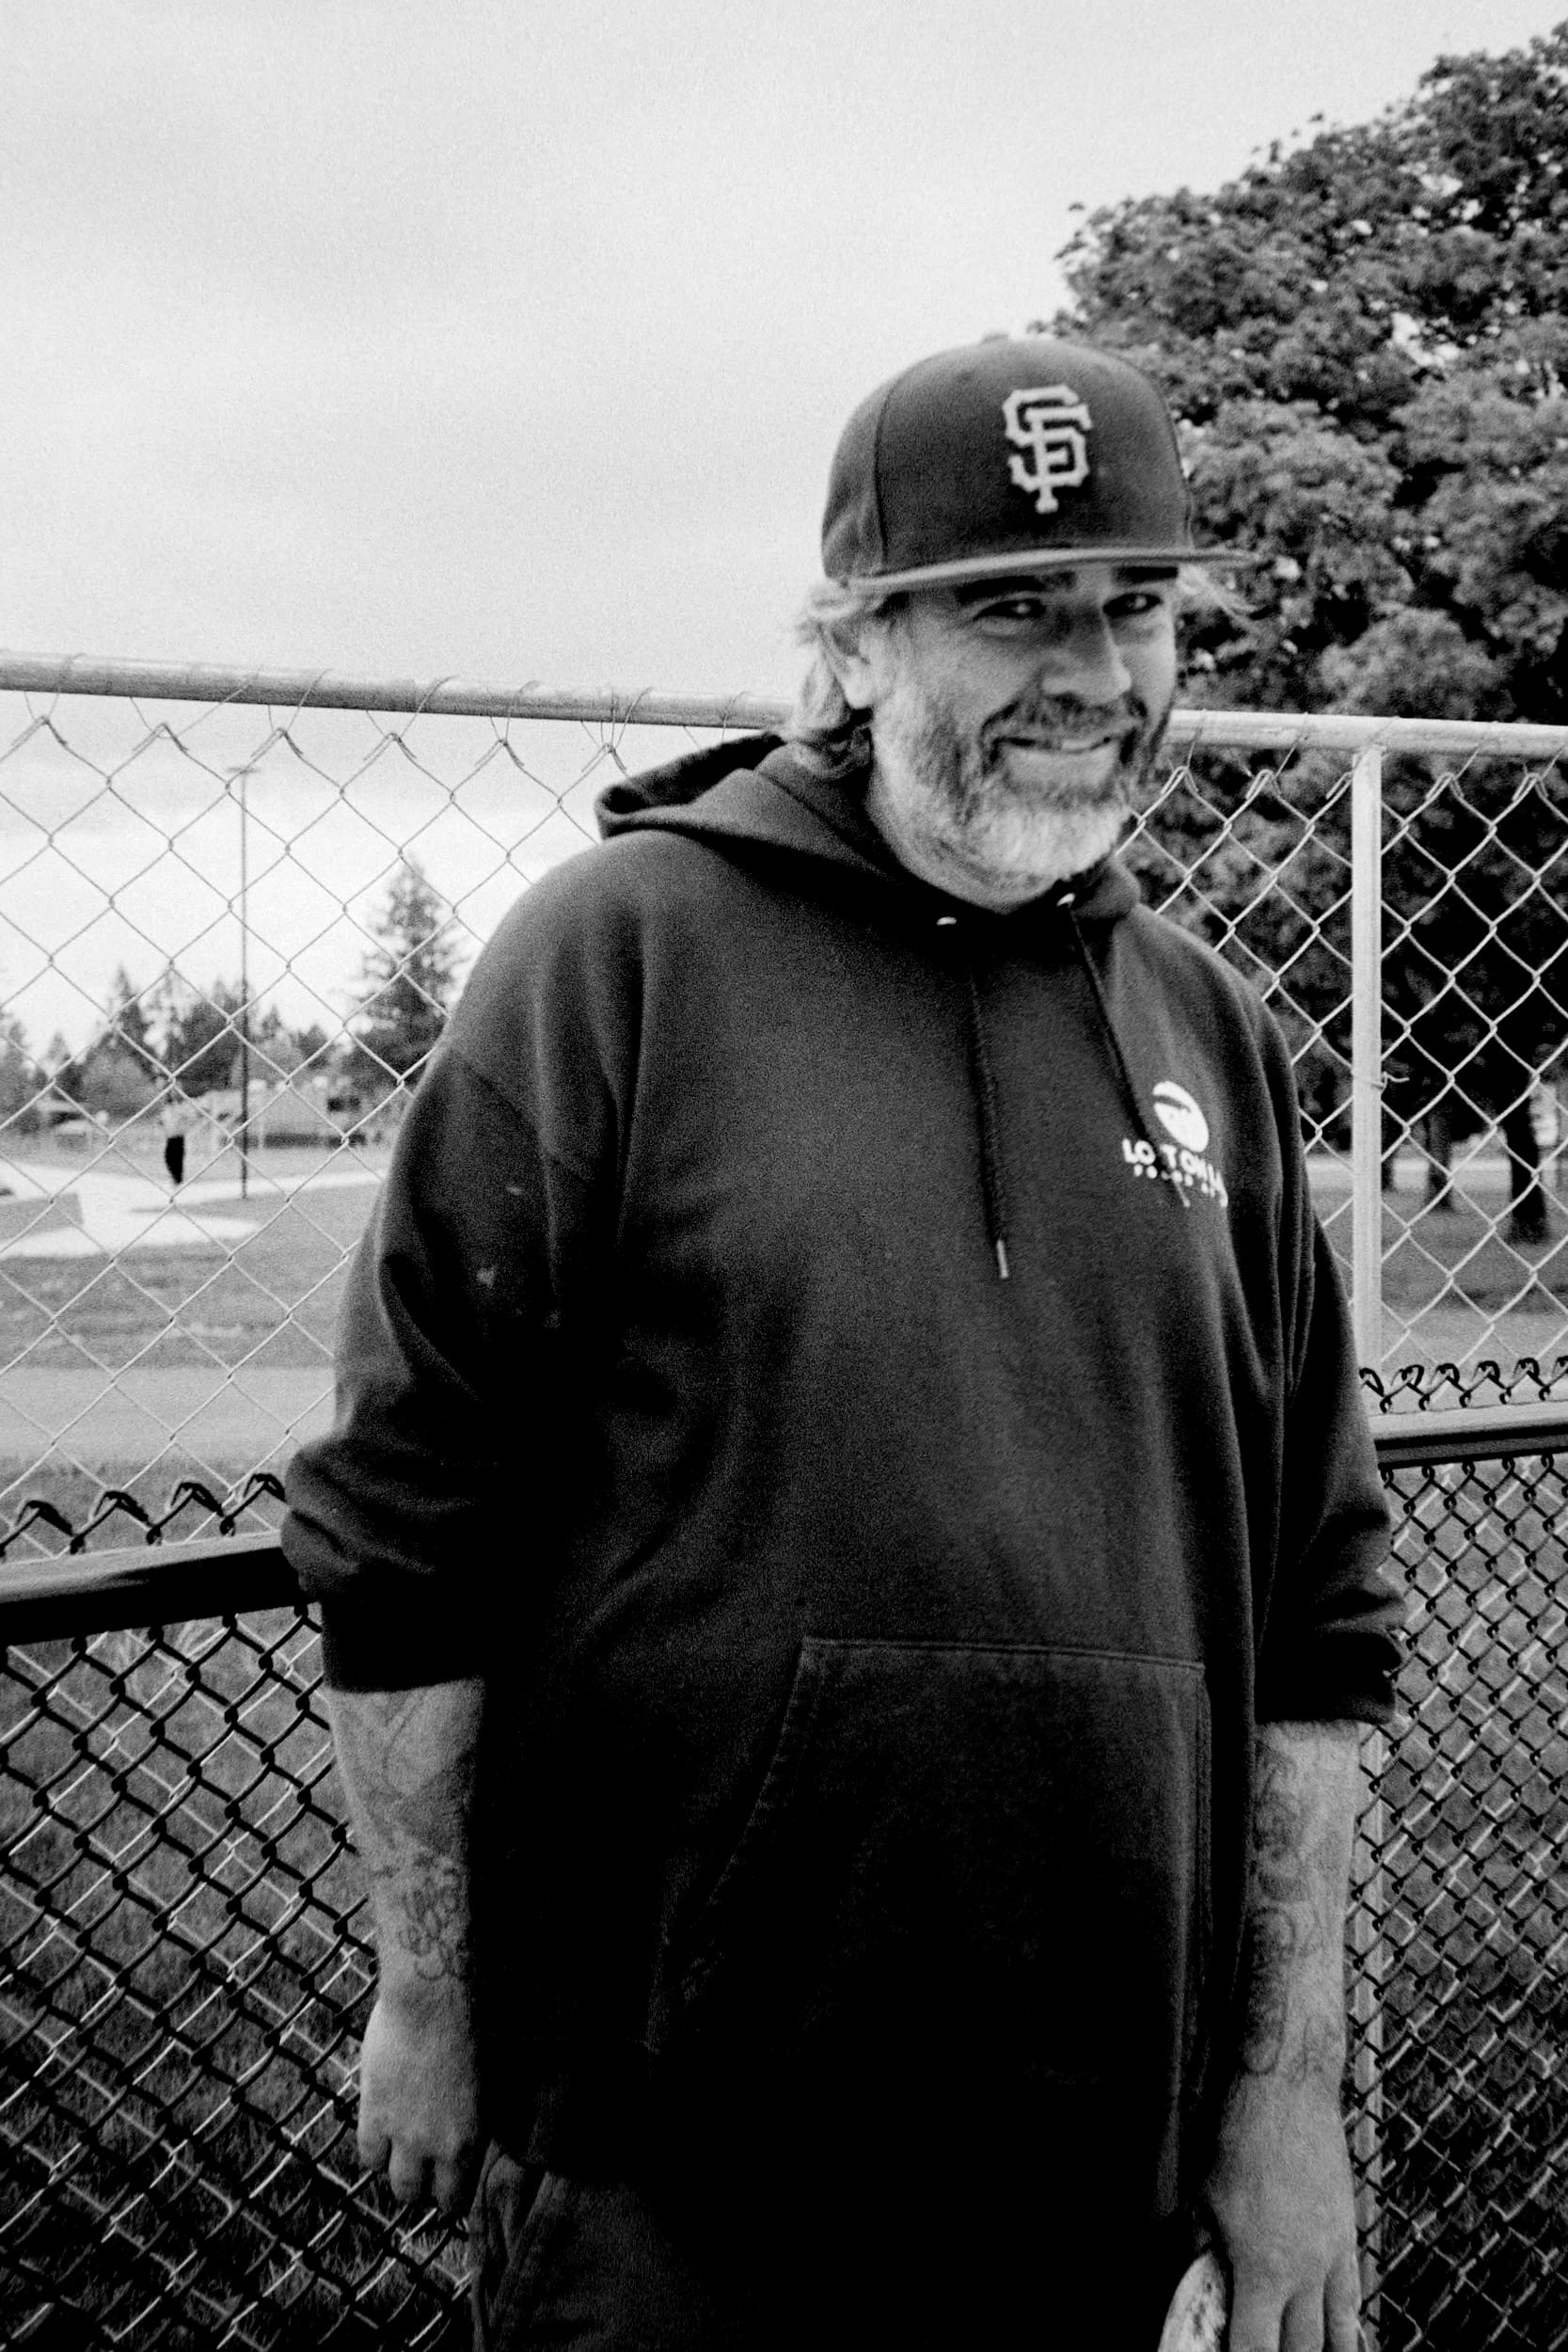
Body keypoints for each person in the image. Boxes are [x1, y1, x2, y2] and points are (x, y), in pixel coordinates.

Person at [283, 336, 1402, 2349]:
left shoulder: (1206, 1028)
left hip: (1097, 2168)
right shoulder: (618, 954)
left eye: (1135, 605)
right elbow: (404, 1538)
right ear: (858, 639)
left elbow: (1317, 1620)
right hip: (674, 2169)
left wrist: (1282, 2088)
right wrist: (431, 1989)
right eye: (1008, 606)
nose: (1093, 667)